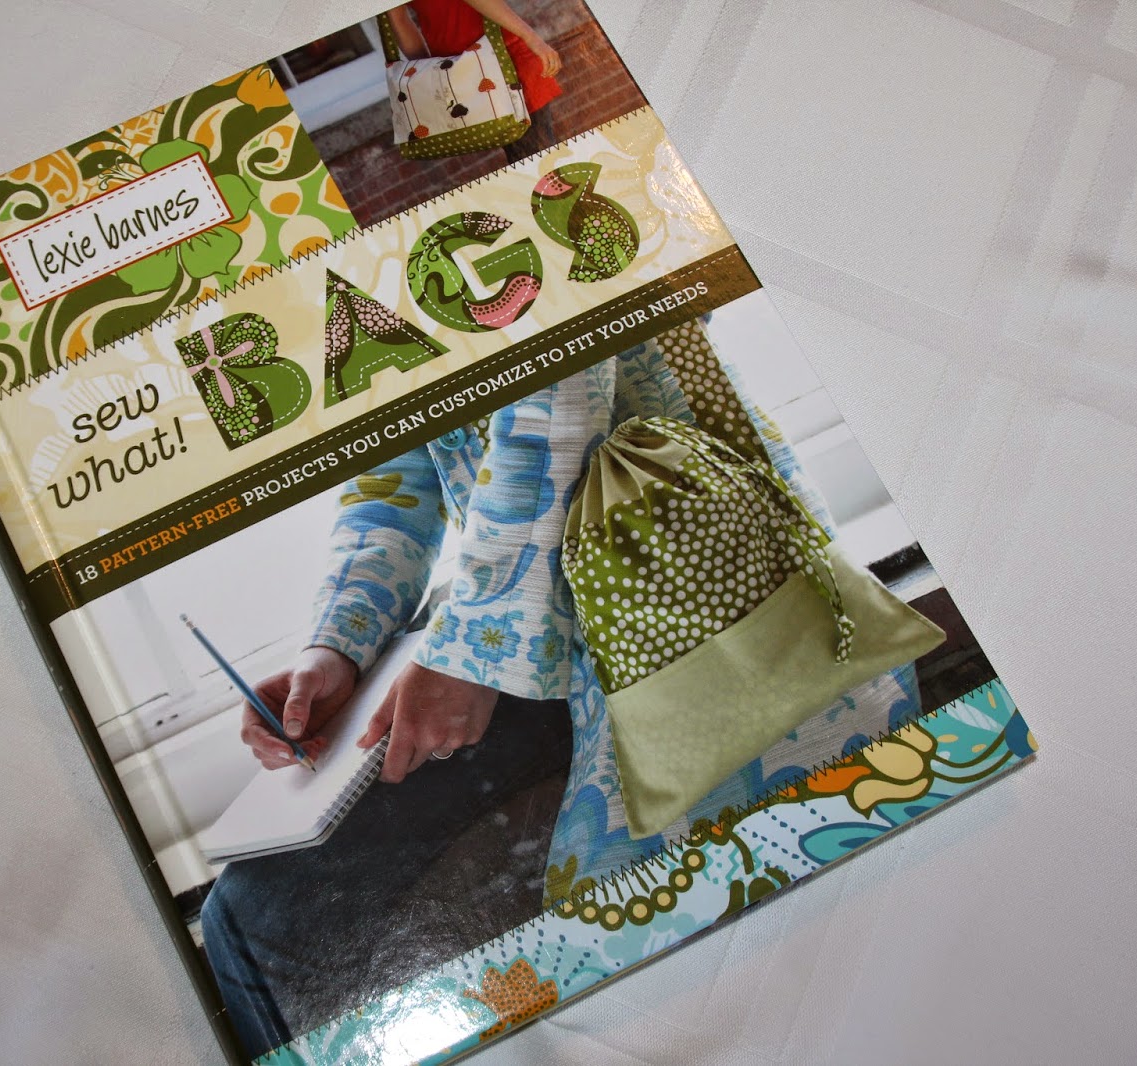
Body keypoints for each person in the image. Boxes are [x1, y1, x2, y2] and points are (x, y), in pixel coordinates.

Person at [200, 325, 926, 1058]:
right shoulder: (317, 287)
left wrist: (472, 652)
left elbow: (558, 372)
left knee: (718, 956)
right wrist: (336, 644)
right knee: (248, 915)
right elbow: (393, 462)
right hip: (540, 615)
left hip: (671, 574)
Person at [386, 0, 564, 163]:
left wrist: (429, 72)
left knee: (525, 155)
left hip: (455, 68)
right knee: (539, 158)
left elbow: (399, 21)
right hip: (498, 52)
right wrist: (531, 36)